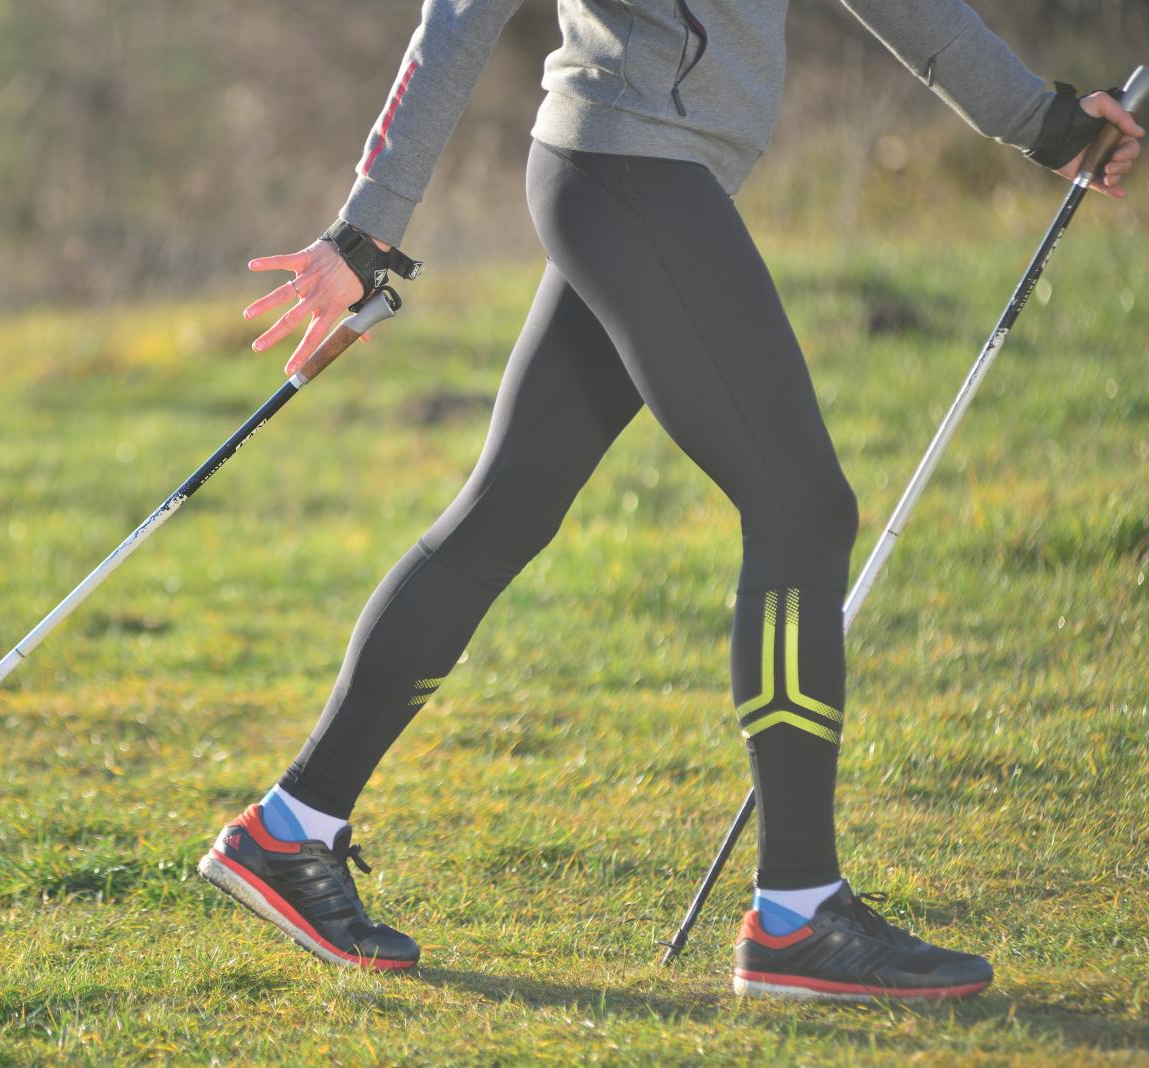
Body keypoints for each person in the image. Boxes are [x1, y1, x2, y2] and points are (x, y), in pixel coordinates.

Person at [196, 0, 1142, 999]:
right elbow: (461, 13)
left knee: (507, 509)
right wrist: (367, 229)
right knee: (801, 506)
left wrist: (1044, 124)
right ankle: (799, 914)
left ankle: (289, 832)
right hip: (630, 171)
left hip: (641, 175)